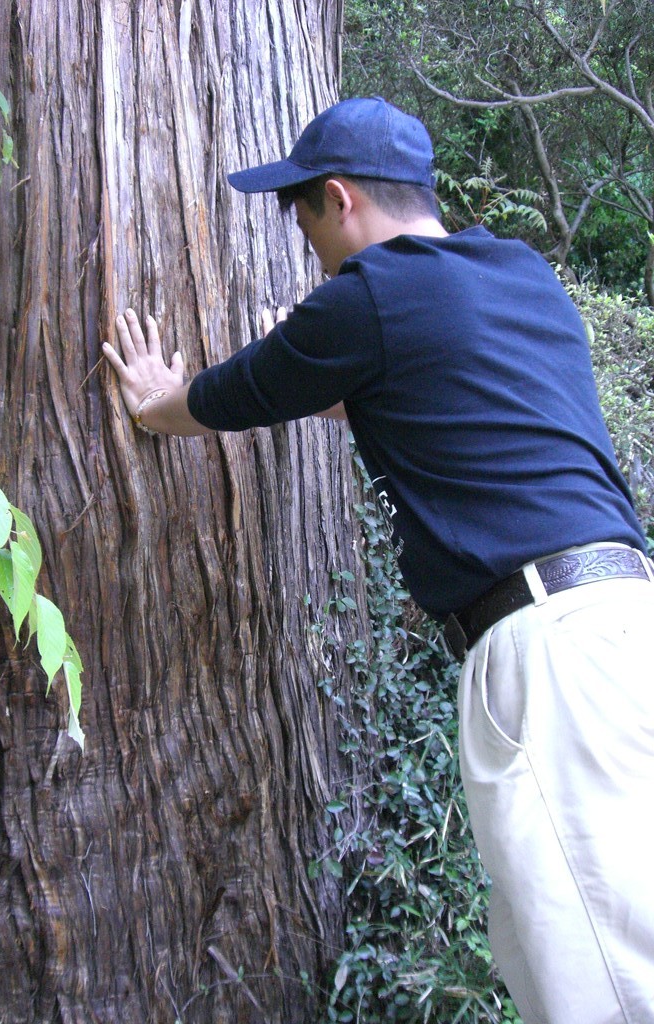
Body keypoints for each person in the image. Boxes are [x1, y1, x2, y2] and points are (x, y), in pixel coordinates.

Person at [102, 96, 654, 1024]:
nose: (307, 242)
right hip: (624, 628)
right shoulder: (522, 276)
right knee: (609, 925)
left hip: (545, 654)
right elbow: (473, 410)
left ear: (340, 196)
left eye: (303, 215)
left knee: (596, 967)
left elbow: (241, 392)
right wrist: (357, 386)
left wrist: (158, 400)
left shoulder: (369, 298)